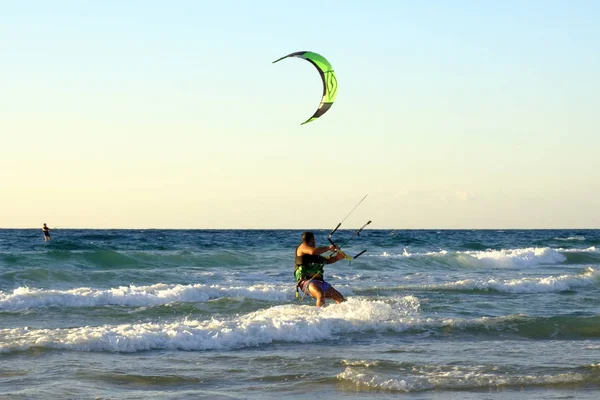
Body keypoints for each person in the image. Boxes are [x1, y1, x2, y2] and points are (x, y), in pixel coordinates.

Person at [295, 231, 346, 307]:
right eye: (314, 239)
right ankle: (319, 317)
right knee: (320, 294)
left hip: (320, 282)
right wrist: (328, 248)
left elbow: (327, 261)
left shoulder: (316, 256)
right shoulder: (302, 247)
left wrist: (337, 257)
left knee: (341, 299)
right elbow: (313, 251)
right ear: (312, 240)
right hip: (306, 282)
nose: (315, 242)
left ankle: (342, 317)